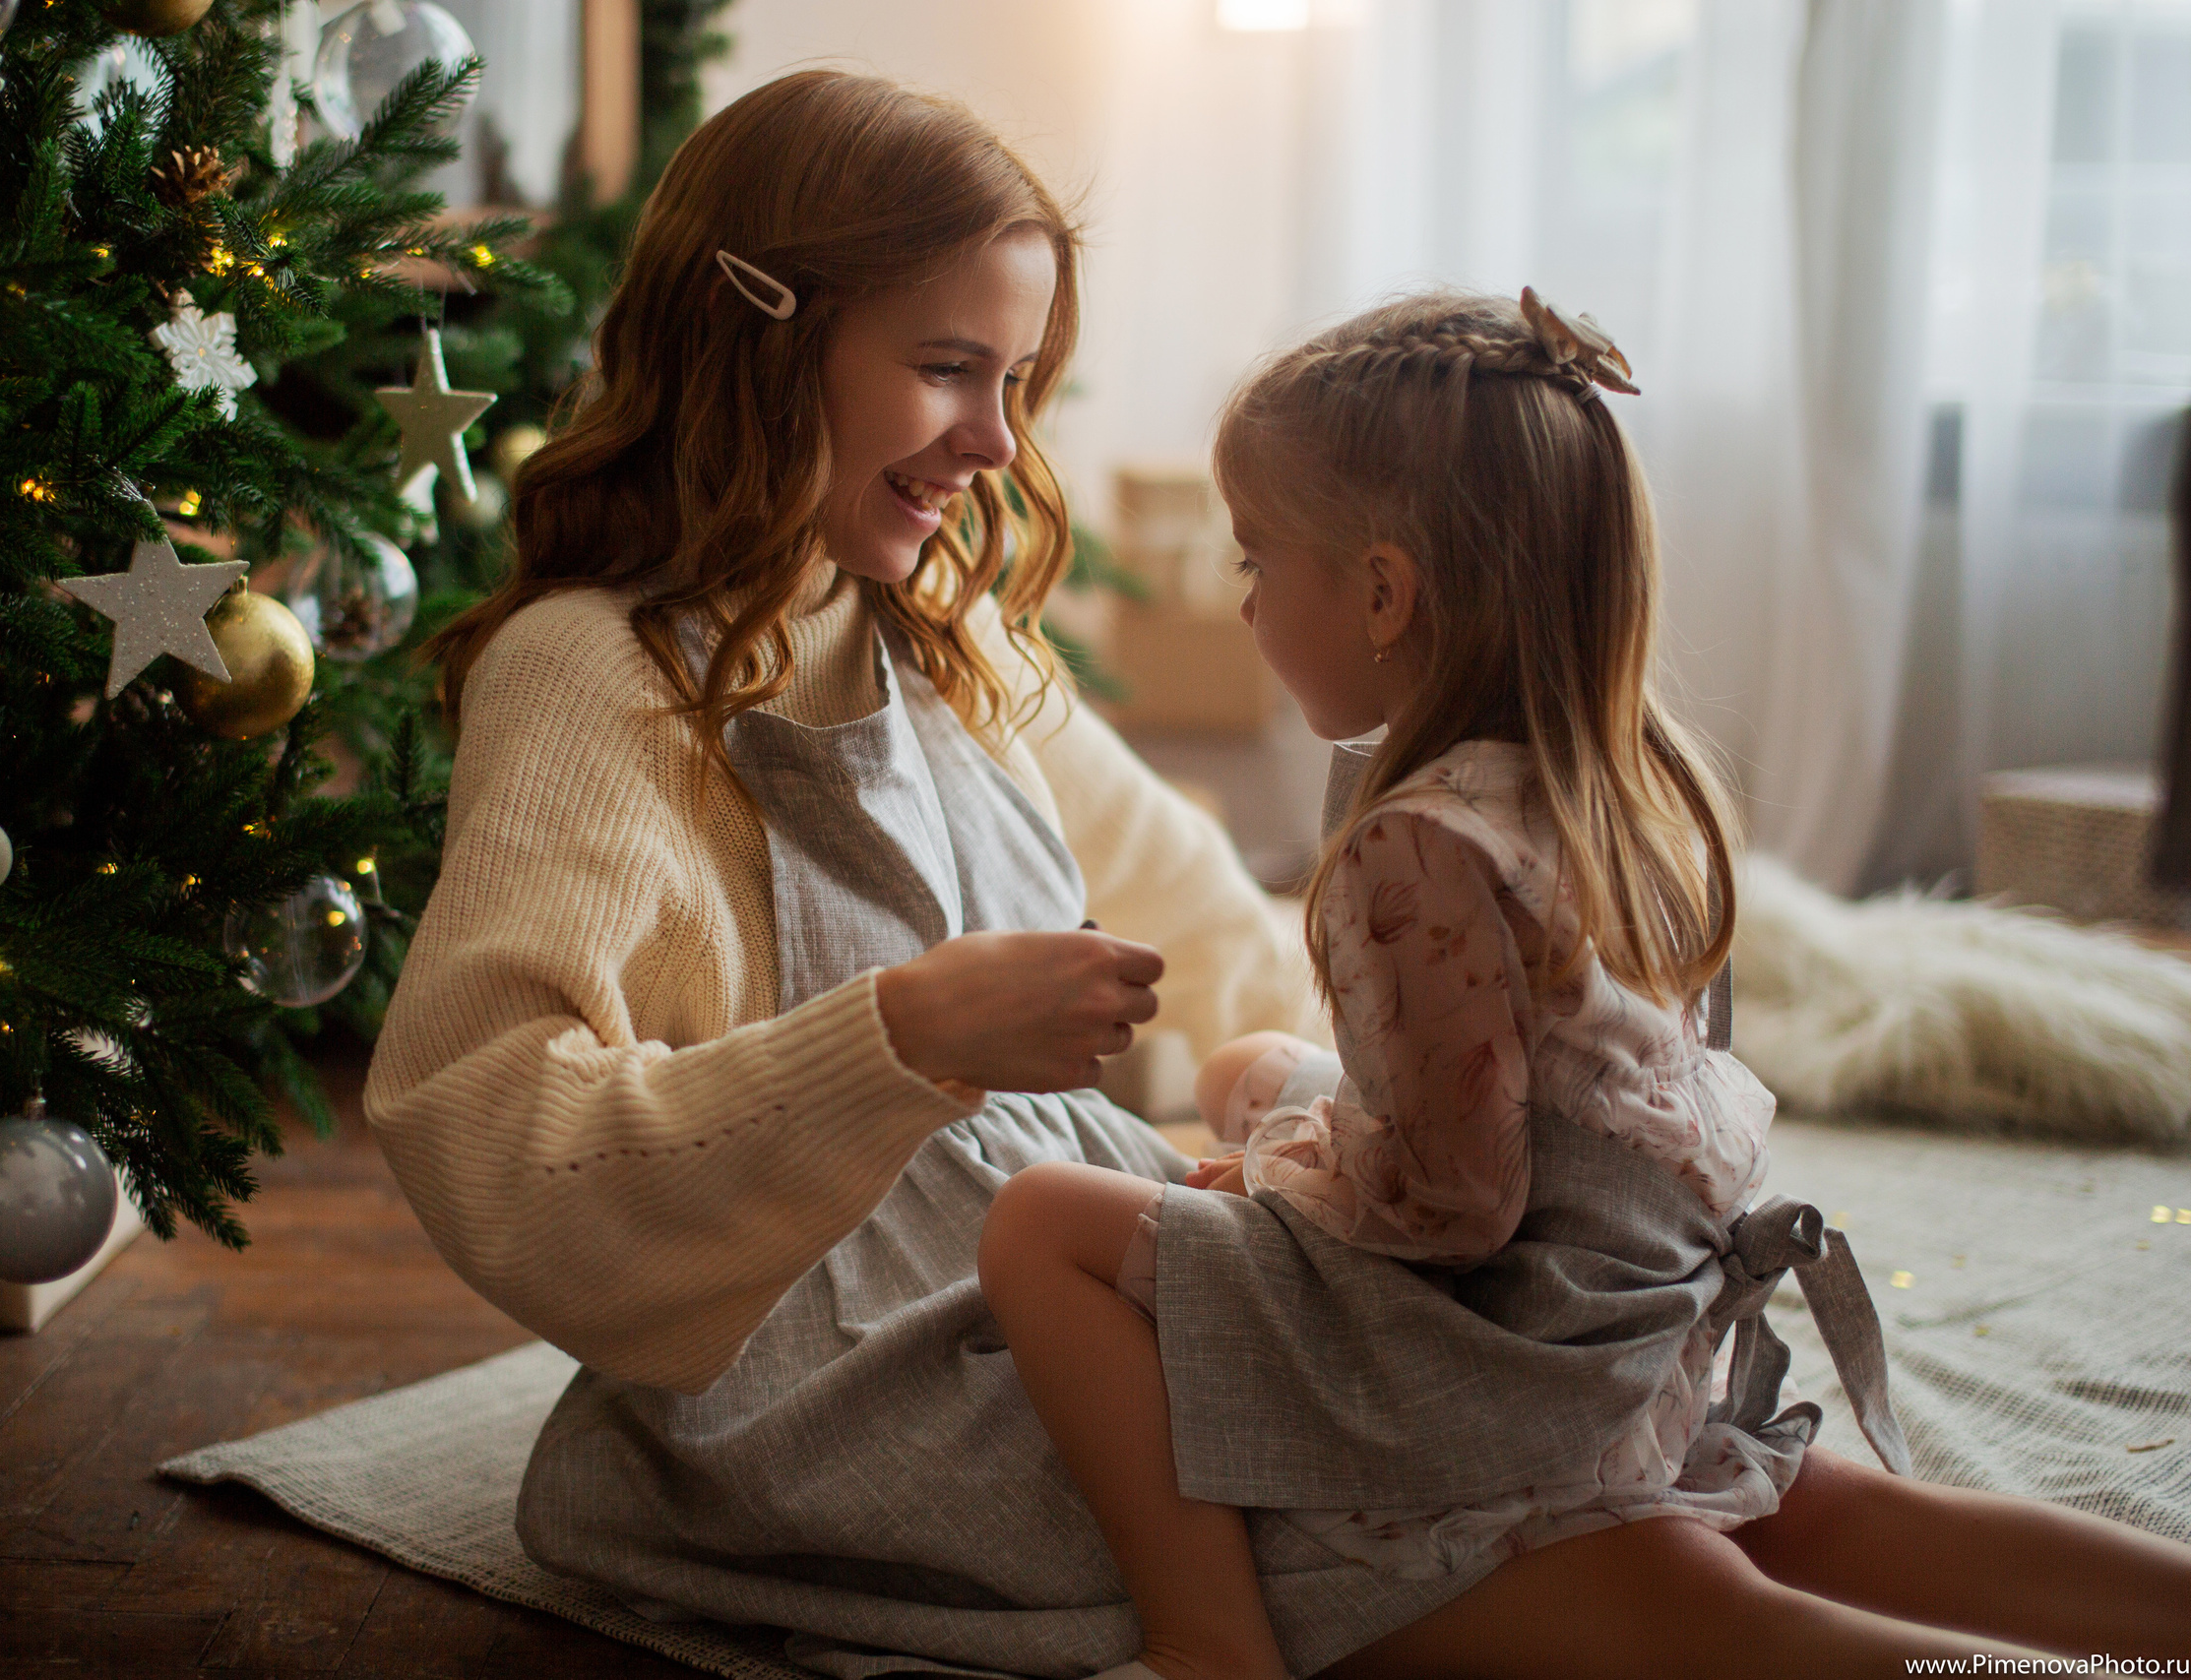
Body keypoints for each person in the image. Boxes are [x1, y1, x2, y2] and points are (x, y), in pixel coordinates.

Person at [975, 289, 2191, 1680]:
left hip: (1518, 1358)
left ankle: (1210, 1643)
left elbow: (1452, 1207)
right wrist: (1286, 1119)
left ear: (1382, 591)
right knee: (1839, 1518)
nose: (1245, 603)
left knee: (1042, 1220)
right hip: (1640, 1305)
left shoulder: (1412, 846)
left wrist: (1272, 1180)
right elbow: (1534, 1108)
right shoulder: (1627, 780)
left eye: (1257, 562)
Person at [368, 69, 1371, 1678]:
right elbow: (486, 1129)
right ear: (762, 339)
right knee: (1365, 1502)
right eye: (947, 369)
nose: (993, 440)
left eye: (1019, 378)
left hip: (1041, 1261)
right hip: (817, 1370)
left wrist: (1349, 1093)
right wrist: (897, 1039)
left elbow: (1162, 865)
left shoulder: (922, 615)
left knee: (1458, 1374)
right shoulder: (592, 678)